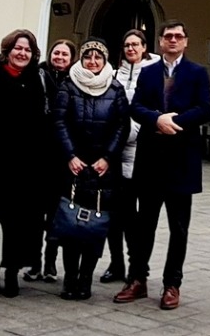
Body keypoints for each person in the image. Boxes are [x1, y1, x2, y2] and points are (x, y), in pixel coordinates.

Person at [115, 20, 210, 311]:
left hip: (182, 162)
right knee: (144, 226)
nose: (173, 40)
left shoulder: (197, 73)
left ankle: (172, 284)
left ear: (185, 41)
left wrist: (174, 122)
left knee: (178, 229)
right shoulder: (148, 72)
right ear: (160, 41)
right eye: (168, 36)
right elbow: (136, 107)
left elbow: (205, 108)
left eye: (178, 36)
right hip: (151, 162)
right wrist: (156, 119)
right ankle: (137, 280)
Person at [54, 40, 128, 300]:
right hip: (73, 167)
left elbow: (122, 125)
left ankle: (85, 279)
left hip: (102, 169)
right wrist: (70, 155)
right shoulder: (68, 85)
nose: (93, 62)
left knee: (95, 226)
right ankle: (69, 278)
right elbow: (59, 121)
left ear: (105, 61)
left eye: (98, 57)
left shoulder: (115, 88)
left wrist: (107, 157)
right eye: (88, 57)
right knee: (71, 223)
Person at [0, 29, 48, 297]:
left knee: (21, 223)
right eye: (18, 48)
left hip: (27, 166)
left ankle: (12, 272)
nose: (22, 53)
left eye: (27, 50)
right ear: (8, 51)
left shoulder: (36, 80)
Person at [103, 28, 158, 283]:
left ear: (144, 47)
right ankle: (116, 264)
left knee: (138, 219)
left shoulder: (154, 74)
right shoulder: (115, 75)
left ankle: (138, 267)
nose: (131, 49)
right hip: (116, 154)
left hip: (143, 154)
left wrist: (131, 130)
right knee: (116, 215)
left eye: (136, 44)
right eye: (127, 45)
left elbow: (151, 109)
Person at [25, 38, 75, 284]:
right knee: (35, 214)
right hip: (38, 155)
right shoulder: (37, 75)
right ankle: (34, 262)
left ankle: (50, 263)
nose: (60, 57)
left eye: (65, 54)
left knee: (56, 215)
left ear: (71, 59)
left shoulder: (75, 81)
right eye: (57, 53)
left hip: (61, 158)